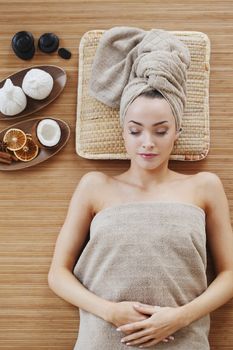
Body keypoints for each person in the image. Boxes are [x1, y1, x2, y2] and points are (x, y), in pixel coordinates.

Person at [48, 27, 233, 349]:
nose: (147, 143)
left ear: (177, 131)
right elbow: (57, 275)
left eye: (160, 131)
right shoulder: (95, 186)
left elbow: (230, 274)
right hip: (102, 340)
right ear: (123, 131)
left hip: (184, 340)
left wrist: (181, 316)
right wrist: (109, 311)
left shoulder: (204, 186)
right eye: (135, 131)